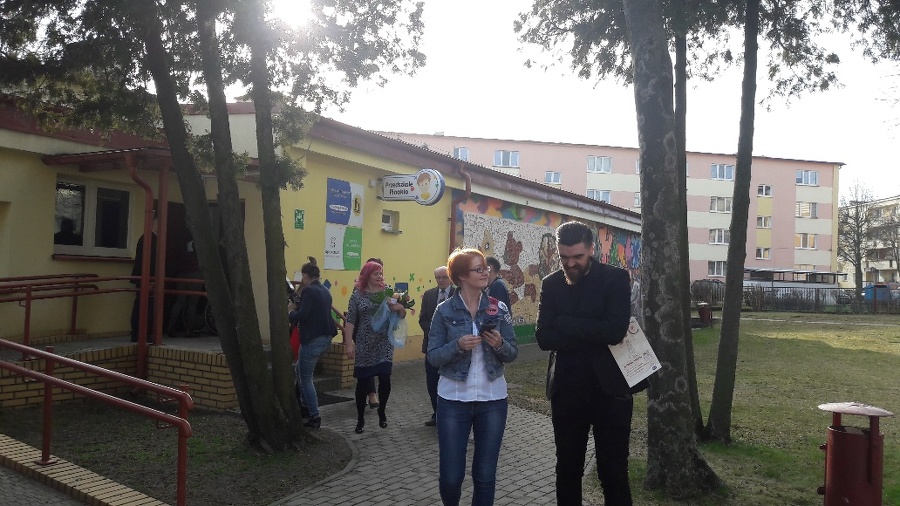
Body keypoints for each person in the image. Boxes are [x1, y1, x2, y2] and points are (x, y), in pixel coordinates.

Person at [535, 221, 633, 506]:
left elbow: (614, 332)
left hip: (610, 391)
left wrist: (564, 323)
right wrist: (593, 331)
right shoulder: (551, 284)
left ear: (591, 249)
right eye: (564, 257)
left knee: (613, 472)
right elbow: (543, 337)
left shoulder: (615, 279)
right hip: (566, 391)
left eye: (577, 256)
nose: (570, 264)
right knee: (567, 469)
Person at [427, 248, 518, 506]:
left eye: (485, 268)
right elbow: (433, 356)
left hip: (493, 400)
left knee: (485, 475)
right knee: (451, 477)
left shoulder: (498, 308)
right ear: (461, 276)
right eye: (478, 269)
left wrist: (499, 344)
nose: (485, 273)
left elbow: (512, 353)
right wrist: (457, 346)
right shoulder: (444, 310)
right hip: (453, 400)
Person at [343, 260, 407, 434]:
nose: (379, 277)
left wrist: (400, 308)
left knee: (385, 377)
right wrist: (349, 343)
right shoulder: (357, 295)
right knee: (363, 381)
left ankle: (382, 411)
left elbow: (401, 315)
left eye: (381, 273)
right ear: (367, 275)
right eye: (376, 273)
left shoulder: (388, 293)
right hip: (364, 342)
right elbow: (350, 320)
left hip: (384, 342)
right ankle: (360, 419)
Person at [289, 257, 336, 429]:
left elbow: (303, 315)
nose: (303, 281)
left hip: (312, 340)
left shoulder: (309, 291)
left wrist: (290, 312)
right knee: (299, 370)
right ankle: (304, 406)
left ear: (306, 276)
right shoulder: (325, 290)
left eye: (303, 277)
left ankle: (314, 415)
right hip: (325, 339)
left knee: (305, 379)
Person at [418, 265, 455, 427]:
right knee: (432, 382)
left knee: (449, 382)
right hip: (432, 346)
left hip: (452, 346)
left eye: (444, 277)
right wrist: (435, 333)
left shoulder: (458, 294)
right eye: (438, 277)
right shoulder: (429, 295)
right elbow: (423, 319)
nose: (441, 280)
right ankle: (437, 413)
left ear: (450, 278)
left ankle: (450, 415)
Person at [130, 215, 158, 343]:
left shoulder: (146, 237)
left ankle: (138, 333)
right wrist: (151, 279)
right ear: (155, 224)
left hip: (142, 278)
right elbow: (149, 261)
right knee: (145, 306)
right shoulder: (150, 239)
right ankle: (141, 334)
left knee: (140, 304)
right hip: (146, 278)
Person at [167, 239, 202, 337]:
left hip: (181, 274)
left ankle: (170, 327)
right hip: (194, 275)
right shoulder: (200, 244)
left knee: (179, 301)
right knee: (192, 304)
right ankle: (189, 330)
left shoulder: (185, 245)